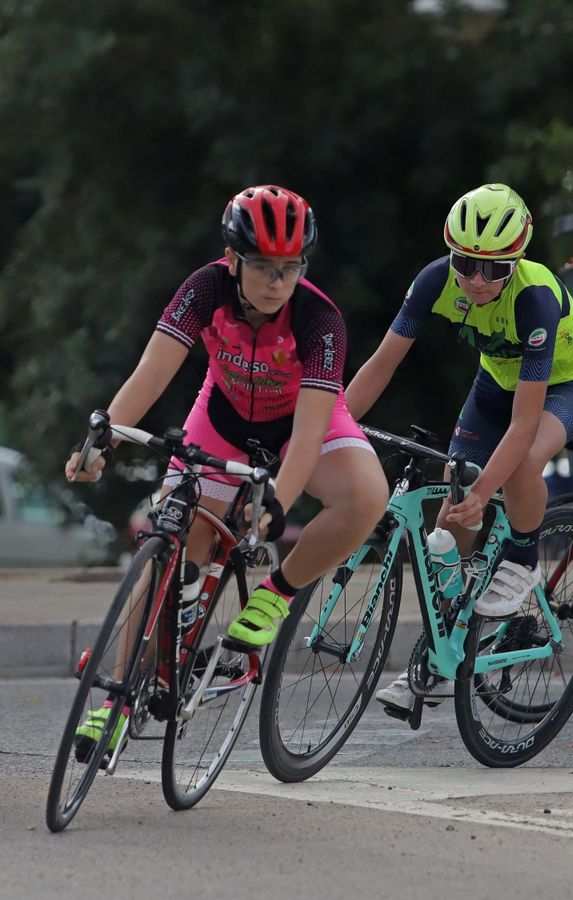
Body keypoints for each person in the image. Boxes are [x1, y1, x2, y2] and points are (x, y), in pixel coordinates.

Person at [64, 185, 388, 751]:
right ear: (234, 259)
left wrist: (278, 503)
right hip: (223, 416)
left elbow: (311, 434)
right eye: (263, 266)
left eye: (290, 268)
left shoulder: (320, 321)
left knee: (365, 495)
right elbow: (152, 371)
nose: (276, 281)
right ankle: (116, 701)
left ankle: (276, 595)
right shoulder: (203, 288)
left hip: (299, 424)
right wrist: (102, 442)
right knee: (171, 533)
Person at [343, 183, 573, 711]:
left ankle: (523, 560)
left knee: (519, 465)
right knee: (449, 524)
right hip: (493, 386)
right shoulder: (436, 281)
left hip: (563, 386)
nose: (478, 281)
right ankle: (443, 652)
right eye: (466, 264)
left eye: (495, 269)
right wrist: (336, 429)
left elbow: (525, 424)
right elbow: (382, 364)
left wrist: (485, 489)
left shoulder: (535, 298)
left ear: (517, 262)